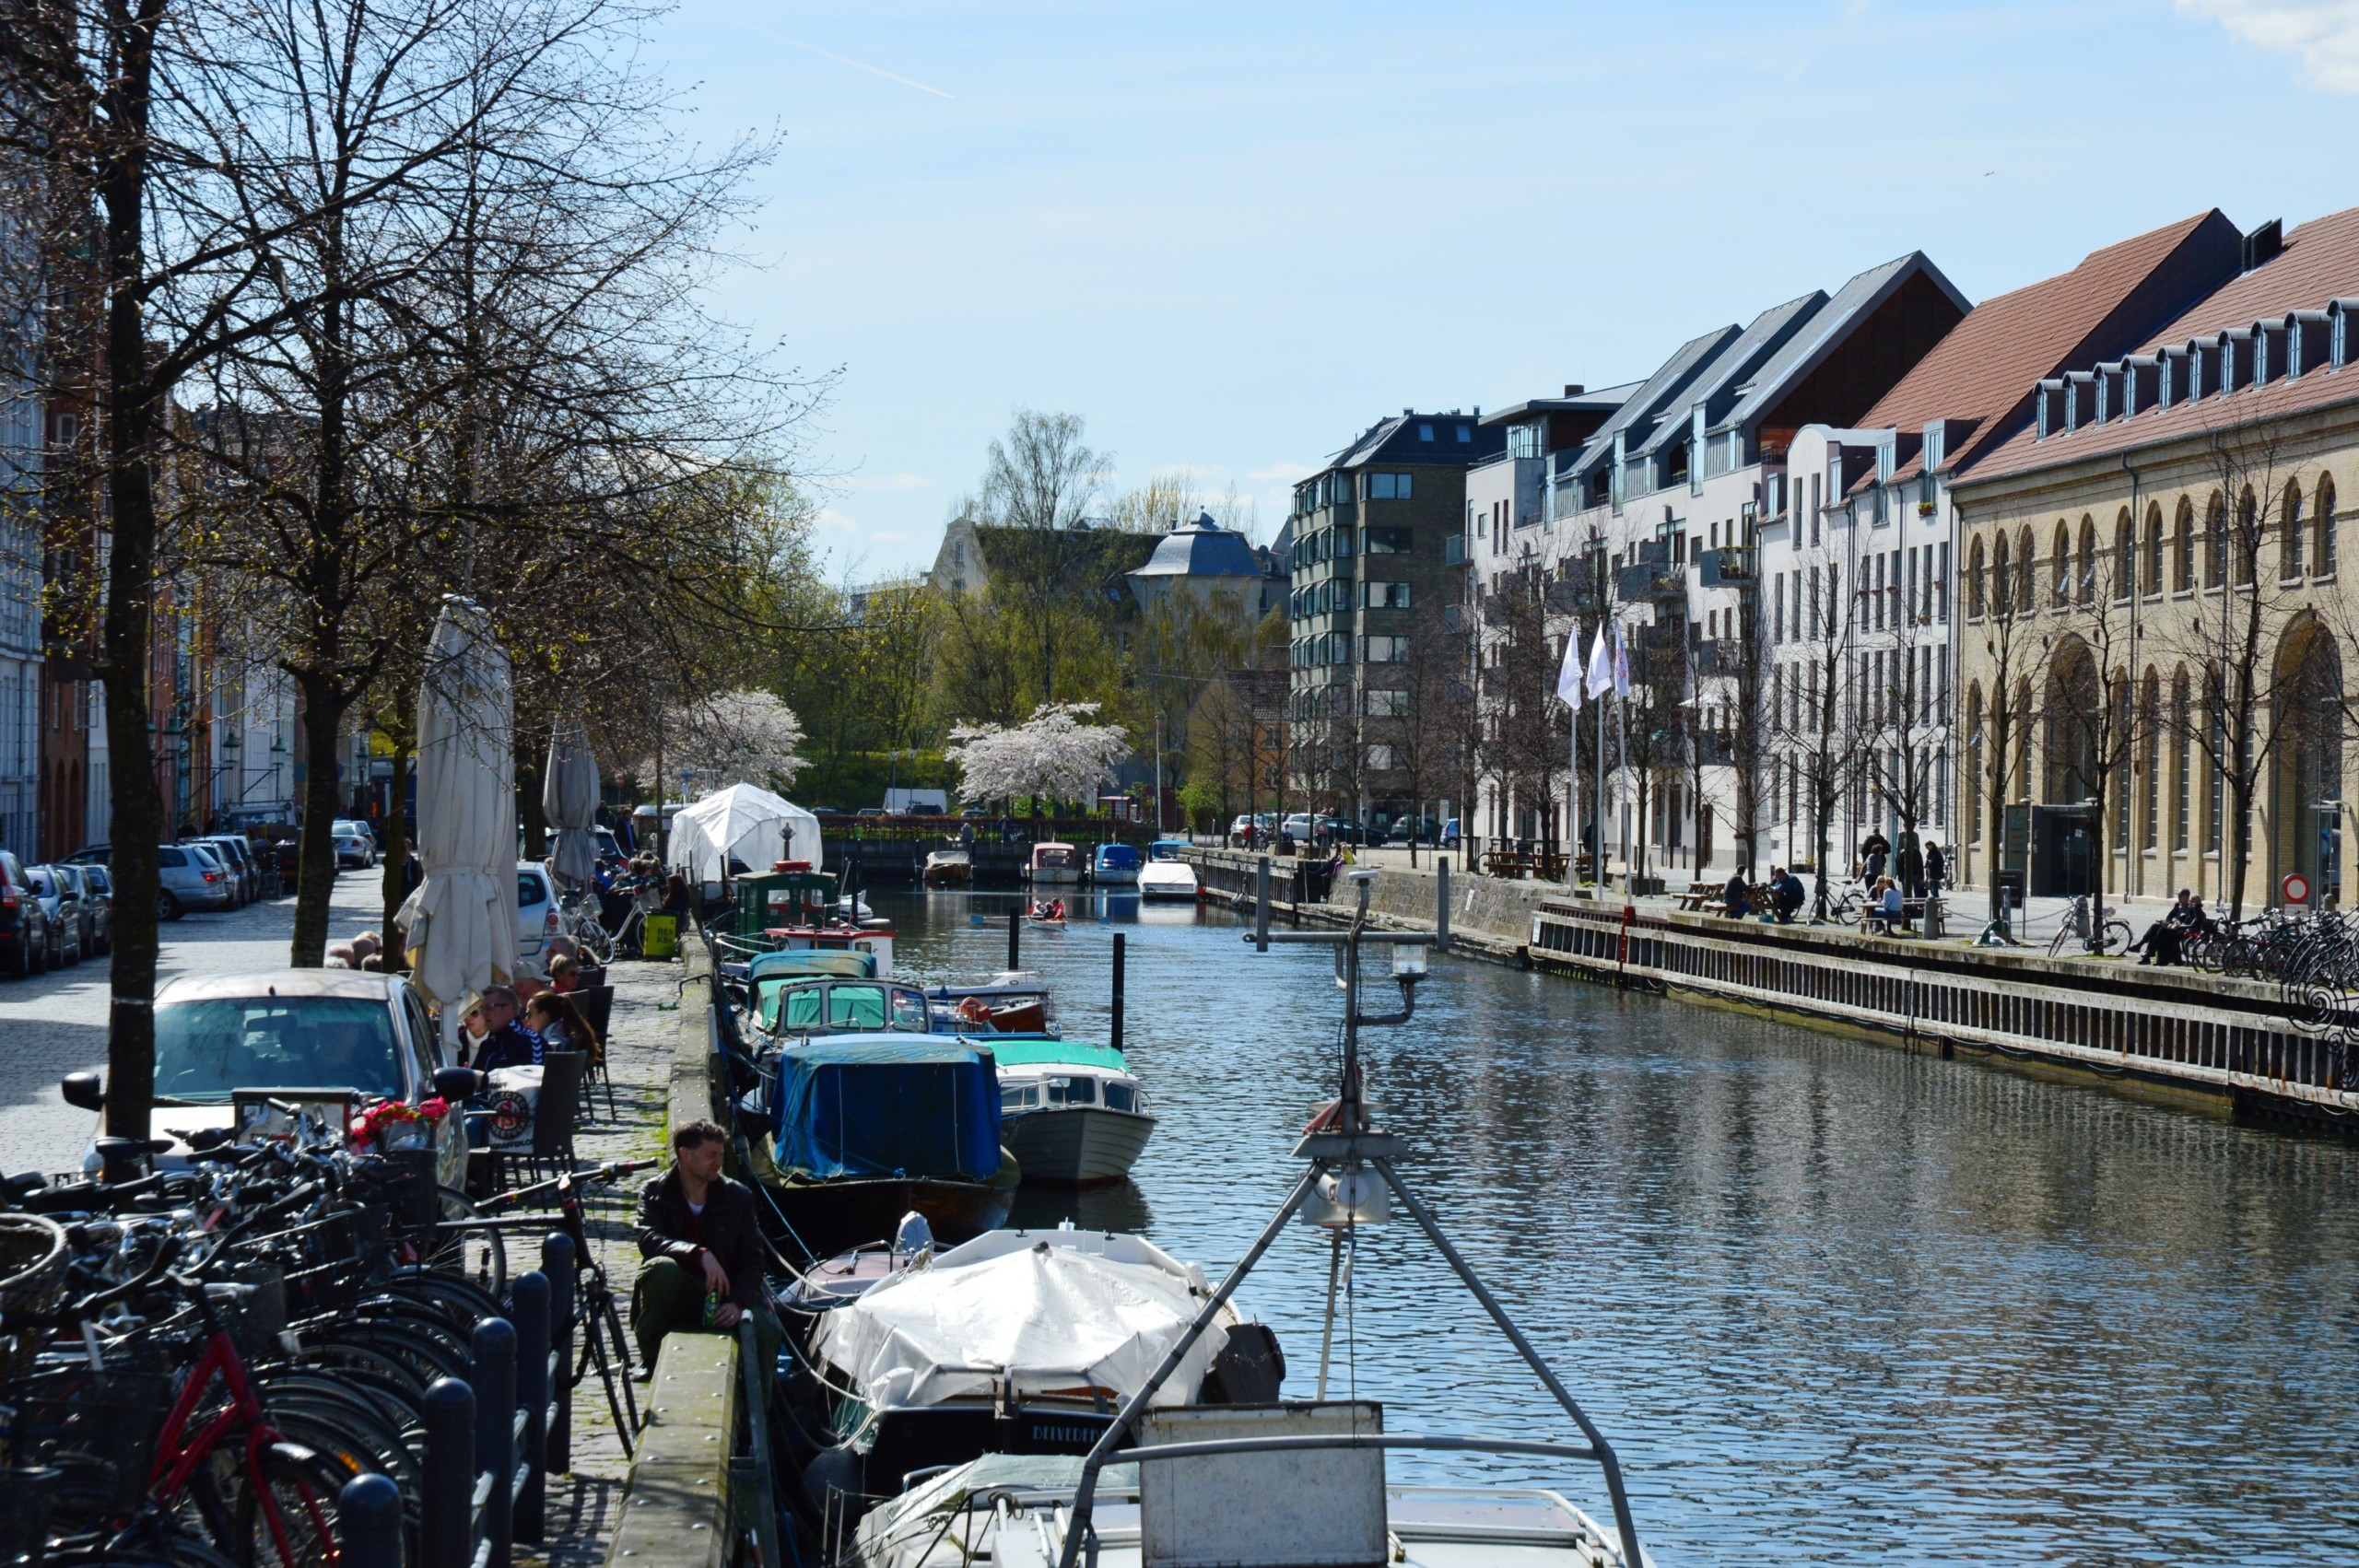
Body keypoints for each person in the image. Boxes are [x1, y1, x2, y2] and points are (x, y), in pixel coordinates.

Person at [632, 1119, 780, 1396]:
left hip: (727, 1292)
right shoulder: (655, 1192)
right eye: (710, 1155)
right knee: (659, 1269)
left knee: (765, 1329)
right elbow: (649, 1240)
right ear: (685, 1155)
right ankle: (650, 1357)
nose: (718, 1162)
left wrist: (737, 1302)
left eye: (721, 1155)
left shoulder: (737, 1196)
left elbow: (753, 1260)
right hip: (684, 1288)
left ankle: (758, 1415)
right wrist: (698, 1254)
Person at [464, 985, 545, 1075]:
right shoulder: (487, 1045)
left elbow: (535, 1083)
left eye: (489, 1007)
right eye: (483, 1009)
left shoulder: (530, 1041)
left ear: (508, 1009)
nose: (484, 1013)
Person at [525, 990, 598, 1062]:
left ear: (544, 1016)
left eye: (529, 1014)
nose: (526, 1019)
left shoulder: (553, 1041)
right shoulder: (564, 1030)